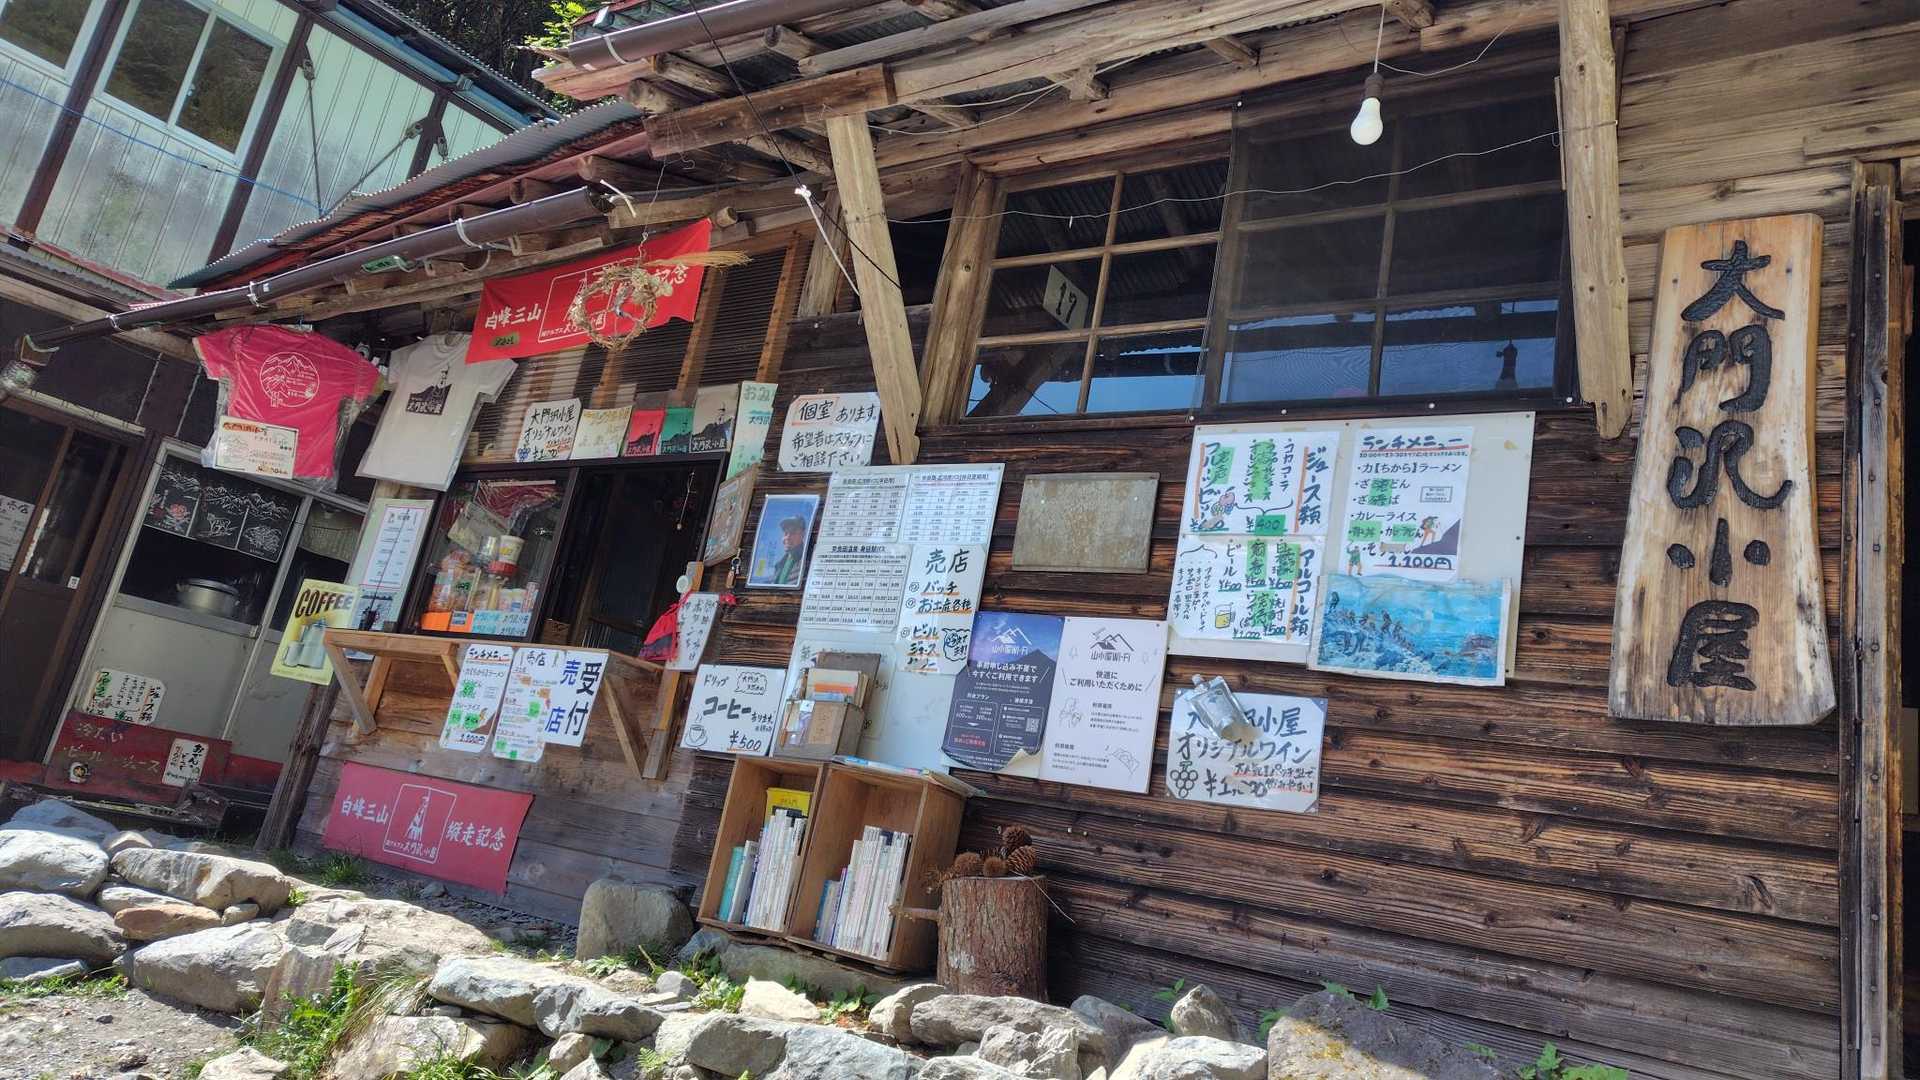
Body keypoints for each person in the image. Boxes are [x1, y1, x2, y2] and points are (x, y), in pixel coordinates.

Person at [770, 515, 809, 585]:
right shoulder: (779, 564)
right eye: (785, 533)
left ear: (802, 535)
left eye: (792, 533)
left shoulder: (808, 561)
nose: (787, 537)